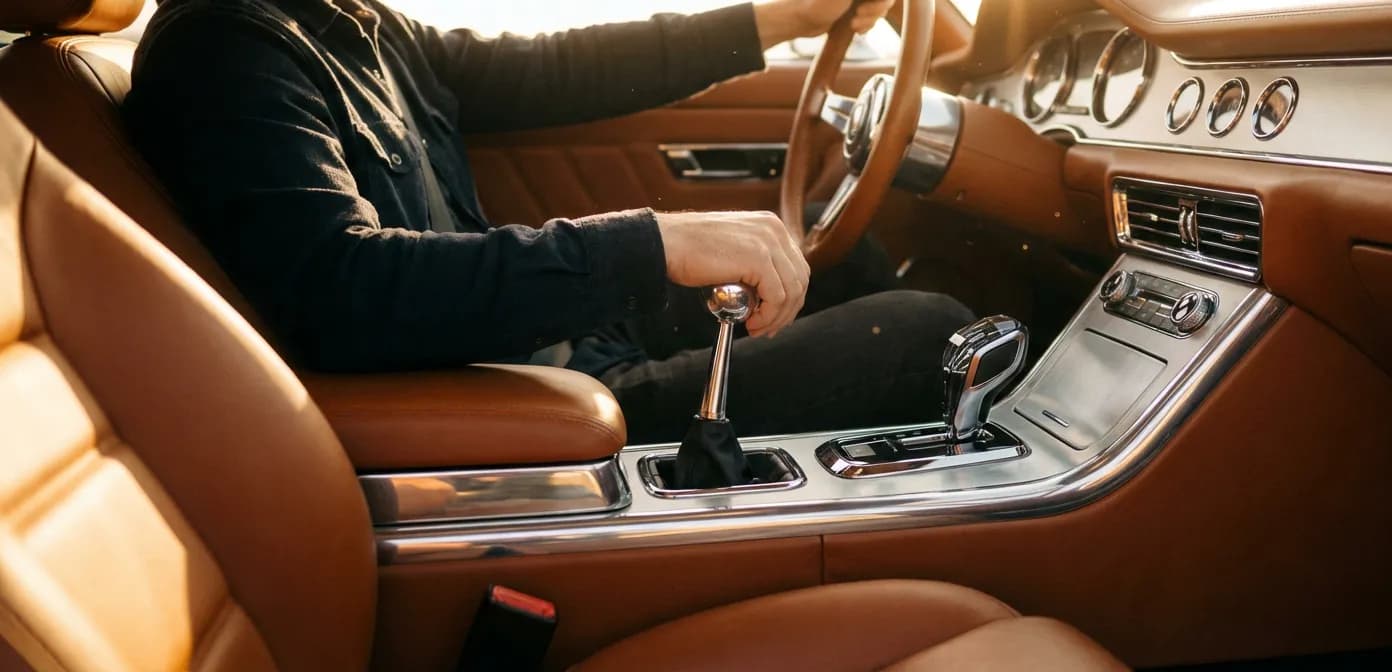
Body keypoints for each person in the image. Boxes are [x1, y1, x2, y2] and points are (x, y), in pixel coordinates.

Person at [124, 0, 975, 443]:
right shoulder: (226, 51)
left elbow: (552, 68)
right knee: (929, 334)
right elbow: (345, 292)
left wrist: (779, 19)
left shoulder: (348, 25)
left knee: (834, 250)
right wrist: (654, 241)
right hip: (515, 405)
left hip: (541, 345)